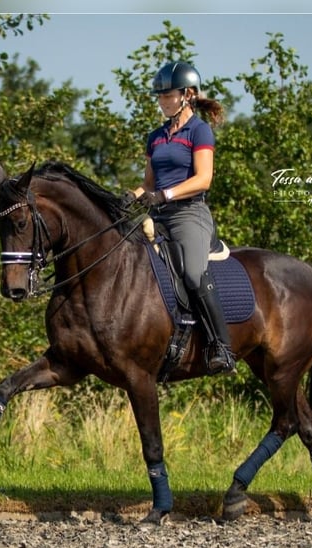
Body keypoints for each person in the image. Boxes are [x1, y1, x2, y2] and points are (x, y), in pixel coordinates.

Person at [126, 61, 236, 375]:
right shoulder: (156, 137)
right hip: (158, 215)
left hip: (190, 214)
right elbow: (148, 184)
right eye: (159, 97)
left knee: (193, 273)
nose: (162, 102)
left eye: (167, 96)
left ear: (187, 95)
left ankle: (221, 347)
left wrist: (165, 194)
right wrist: (129, 196)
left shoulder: (199, 131)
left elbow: (204, 179)